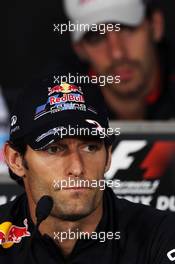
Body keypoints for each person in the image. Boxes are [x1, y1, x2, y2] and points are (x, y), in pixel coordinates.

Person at [1, 77, 175, 264]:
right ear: (15, 160)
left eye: (90, 148)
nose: (77, 168)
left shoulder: (161, 235)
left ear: (108, 157)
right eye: (54, 149)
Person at [63, 0, 175, 120]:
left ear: (156, 25)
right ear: (79, 48)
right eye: (96, 37)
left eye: (126, 28)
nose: (117, 53)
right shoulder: (57, 108)